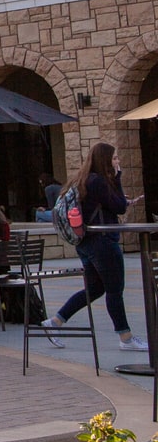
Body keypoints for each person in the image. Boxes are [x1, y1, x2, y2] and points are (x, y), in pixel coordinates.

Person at [39, 143, 149, 351]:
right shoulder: (98, 181)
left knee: (95, 288)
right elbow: (119, 206)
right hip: (103, 243)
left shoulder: (83, 179)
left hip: (86, 243)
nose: (118, 162)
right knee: (115, 290)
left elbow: (107, 204)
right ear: (105, 160)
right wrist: (118, 178)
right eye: (114, 158)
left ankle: (55, 321)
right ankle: (125, 337)